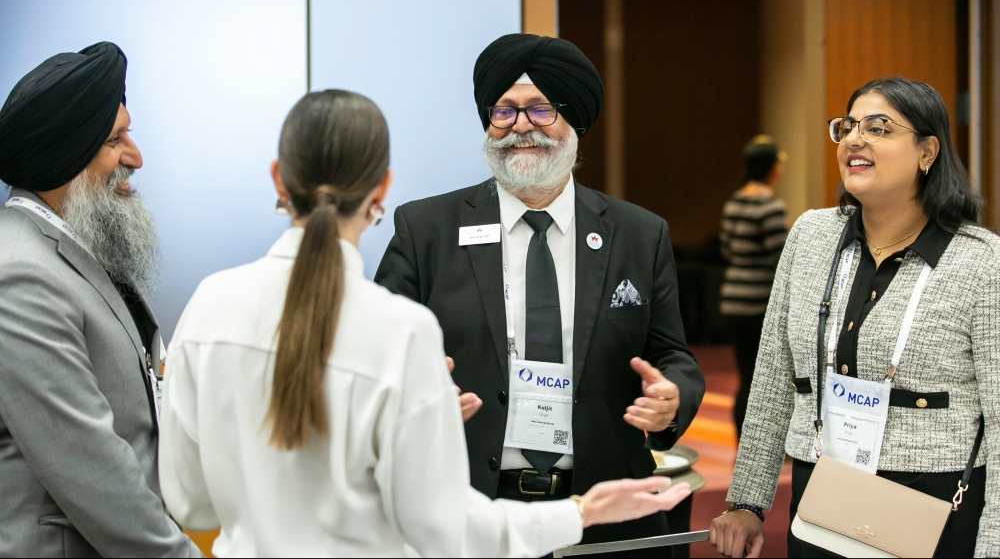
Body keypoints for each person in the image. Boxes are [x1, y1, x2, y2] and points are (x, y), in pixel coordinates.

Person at [157, 89, 692, 558]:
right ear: (381, 189)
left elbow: (191, 503)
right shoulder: (398, 329)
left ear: (278, 177)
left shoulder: (208, 307)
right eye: (505, 110)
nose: (522, 123)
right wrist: (580, 513)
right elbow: (443, 528)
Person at [375, 33, 705, 553]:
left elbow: (672, 356)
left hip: (604, 509)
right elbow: (377, 353)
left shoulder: (639, 234)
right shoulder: (426, 229)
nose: (521, 126)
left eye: (540, 109)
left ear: (575, 122)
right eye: (503, 111)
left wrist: (672, 400)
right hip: (466, 509)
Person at [710, 77, 999, 558]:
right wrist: (748, 500)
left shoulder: (981, 262)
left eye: (880, 128)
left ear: (927, 152)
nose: (854, 139)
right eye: (848, 126)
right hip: (822, 490)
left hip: (932, 503)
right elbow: (773, 378)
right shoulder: (811, 236)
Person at [0, 43, 200, 556]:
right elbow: (93, 474)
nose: (135, 157)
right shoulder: (21, 274)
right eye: (115, 141)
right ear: (62, 155)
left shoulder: (67, 246)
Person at [719, 135, 787, 439]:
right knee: (762, 379)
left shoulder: (734, 201)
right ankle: (760, 443)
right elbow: (782, 260)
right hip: (759, 302)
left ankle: (741, 441)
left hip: (732, 299)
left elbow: (726, 249)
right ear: (772, 169)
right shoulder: (770, 206)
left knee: (745, 375)